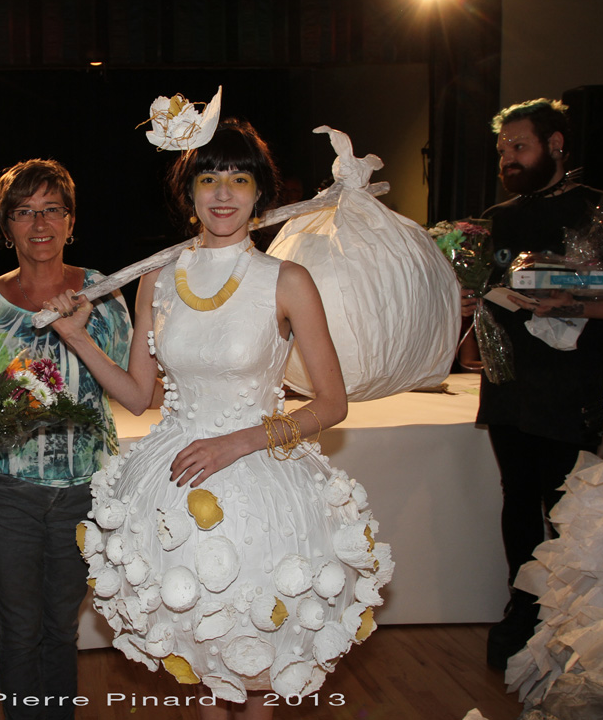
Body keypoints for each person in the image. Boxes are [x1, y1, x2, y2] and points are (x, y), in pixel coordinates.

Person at [47, 119, 387, 719]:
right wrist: (78, 338)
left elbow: (332, 404)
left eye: (239, 178)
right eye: (208, 177)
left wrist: (238, 442)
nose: (223, 192)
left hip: (262, 480)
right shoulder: (158, 278)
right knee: (205, 658)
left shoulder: (287, 280)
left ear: (261, 192)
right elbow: (137, 395)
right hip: (173, 484)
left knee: (259, 657)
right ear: (189, 192)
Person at [458, 98, 603, 670]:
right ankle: (523, 603)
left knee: (564, 501)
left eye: (520, 147)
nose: (508, 159)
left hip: (569, 384)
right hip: (510, 383)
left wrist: (571, 303)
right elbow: (484, 314)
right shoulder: (496, 218)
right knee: (516, 498)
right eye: (503, 151)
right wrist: (470, 305)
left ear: (556, 144)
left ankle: (564, 610)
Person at [0, 159, 132, 719]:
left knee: (61, 623)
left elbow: (125, 385)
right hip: (8, 492)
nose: (39, 223)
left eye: (52, 209)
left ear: (71, 221)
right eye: (24, 212)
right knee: (19, 626)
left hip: (85, 491)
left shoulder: (103, 295)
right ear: (7, 227)